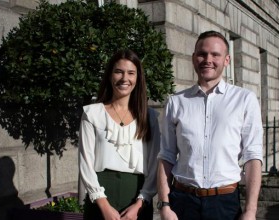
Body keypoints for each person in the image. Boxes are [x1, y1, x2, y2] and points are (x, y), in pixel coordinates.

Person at [157, 30, 263, 220]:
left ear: (227, 60)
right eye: (202, 54)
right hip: (182, 201)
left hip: (224, 203)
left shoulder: (245, 100)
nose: (208, 59)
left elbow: (252, 156)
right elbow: (166, 155)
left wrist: (250, 210)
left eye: (215, 54)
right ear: (193, 58)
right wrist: (164, 205)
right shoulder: (176, 102)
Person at [78, 49, 160, 220]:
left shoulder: (149, 117)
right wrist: (104, 205)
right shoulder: (92, 113)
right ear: (110, 75)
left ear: (138, 78)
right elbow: (85, 162)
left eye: (131, 73)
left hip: (137, 200)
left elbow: (154, 165)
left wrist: (139, 204)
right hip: (100, 200)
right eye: (118, 72)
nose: (125, 78)